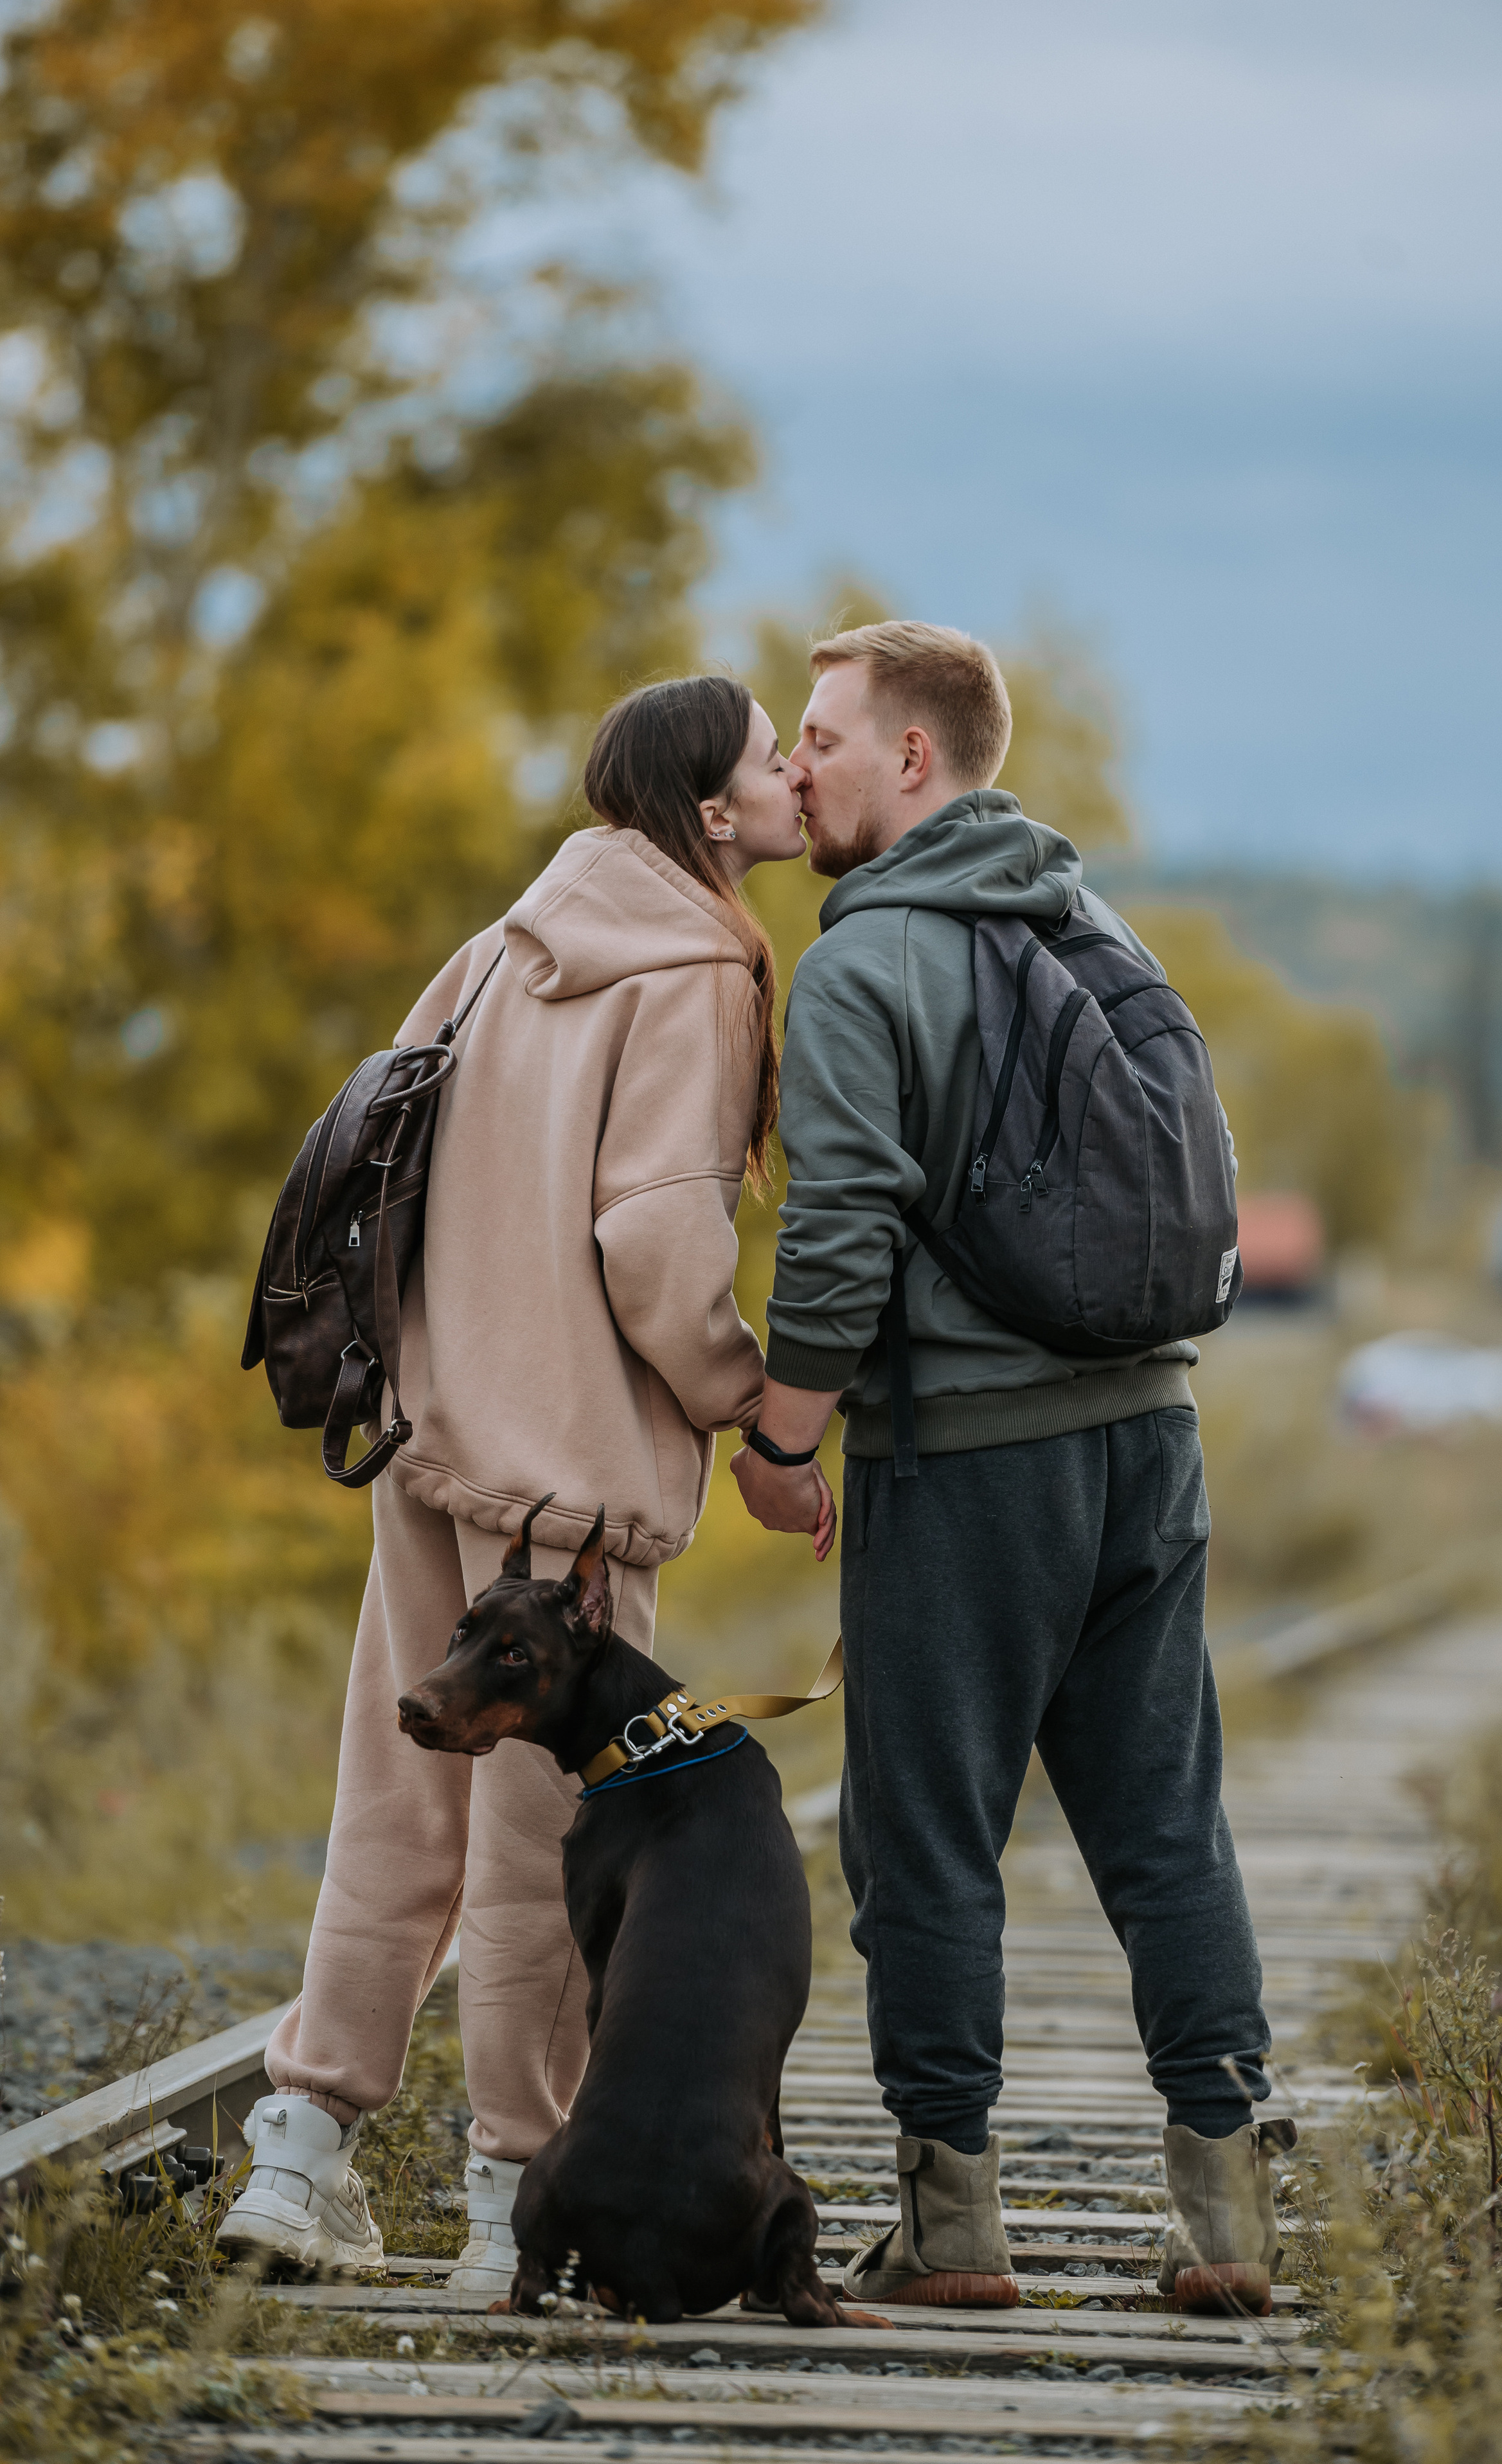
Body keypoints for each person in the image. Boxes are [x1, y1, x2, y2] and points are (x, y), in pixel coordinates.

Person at [219, 675, 807, 2291]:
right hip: (560, 1483)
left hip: (424, 1433)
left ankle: (301, 2152)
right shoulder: (694, 971)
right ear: (710, 814)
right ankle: (511, 2195)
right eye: (771, 760)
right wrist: (748, 1403)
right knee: (551, 1853)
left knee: (399, 1802)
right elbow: (657, 1240)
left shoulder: (500, 945)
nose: (791, 781)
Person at [731, 622, 1282, 2315]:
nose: (799, 767)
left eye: (822, 736)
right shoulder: (1091, 917)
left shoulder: (865, 963)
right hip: (1151, 1439)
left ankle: (953, 2226)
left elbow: (837, 1235)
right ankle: (1228, 2221)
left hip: (971, 1463)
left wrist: (782, 1434)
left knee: (927, 1835)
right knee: (1168, 1829)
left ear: (916, 757)